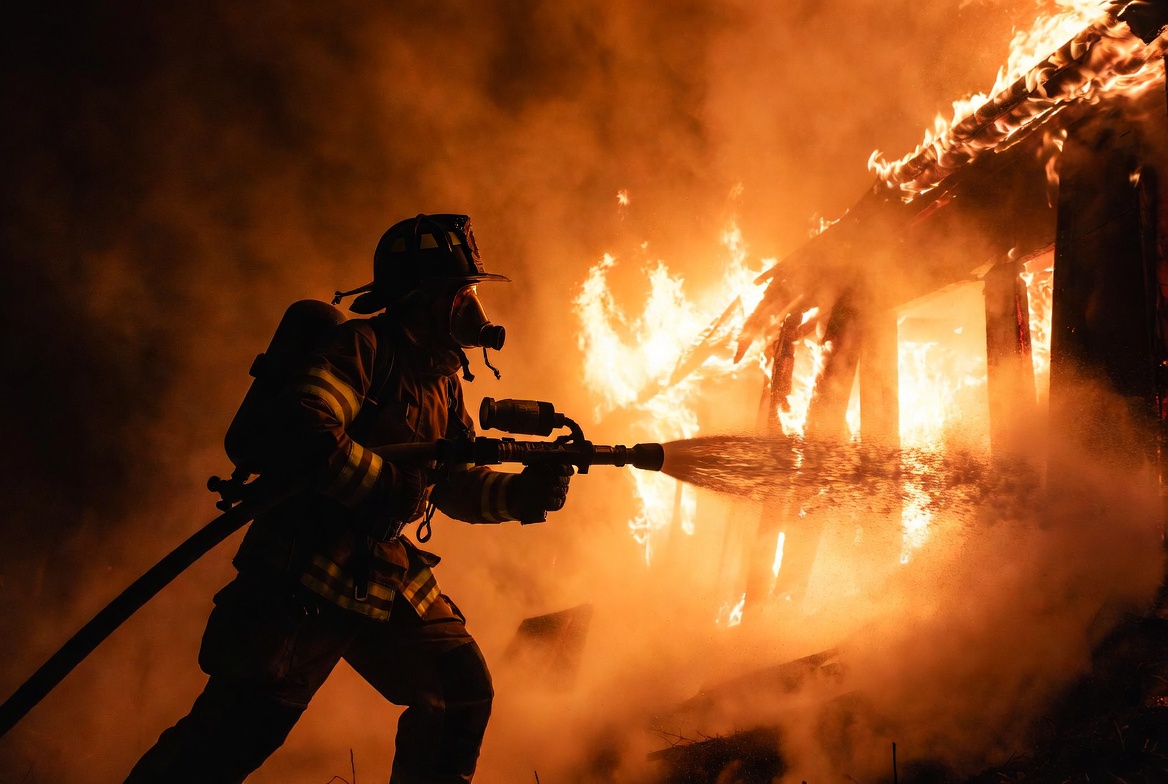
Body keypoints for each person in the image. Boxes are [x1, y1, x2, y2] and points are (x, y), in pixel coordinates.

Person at [126, 213, 573, 783]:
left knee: (458, 691)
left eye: (471, 294)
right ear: (421, 298)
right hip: (303, 574)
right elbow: (304, 422)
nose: (472, 309)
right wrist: (386, 485)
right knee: (231, 739)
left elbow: (453, 484)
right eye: (460, 294)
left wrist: (523, 493)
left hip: (381, 577)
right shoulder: (362, 348)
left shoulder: (441, 383)